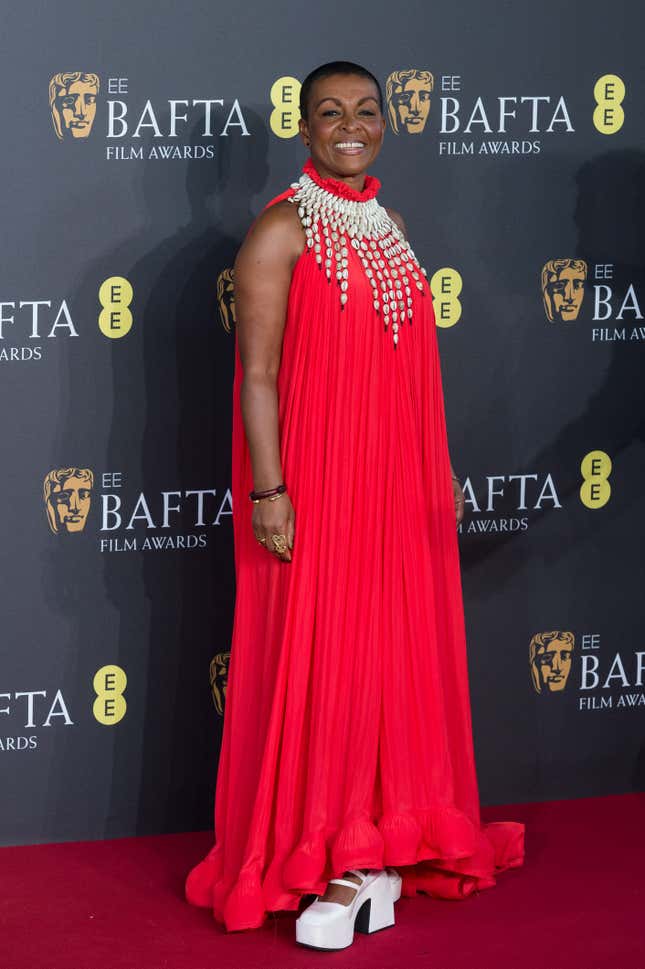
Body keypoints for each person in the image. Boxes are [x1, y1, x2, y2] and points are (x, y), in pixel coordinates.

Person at [186, 60, 524, 950]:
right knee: (323, 664)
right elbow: (255, 377)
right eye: (329, 112)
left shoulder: (392, 228)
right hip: (314, 485)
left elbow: (410, 368)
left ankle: (371, 855)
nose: (351, 124)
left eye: (365, 110)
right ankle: (326, 855)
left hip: (394, 484)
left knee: (387, 664)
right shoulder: (277, 233)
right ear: (302, 128)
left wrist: (432, 464)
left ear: (386, 121)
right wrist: (269, 490)